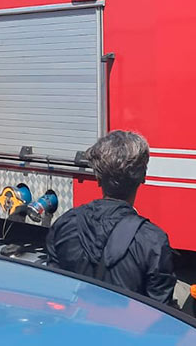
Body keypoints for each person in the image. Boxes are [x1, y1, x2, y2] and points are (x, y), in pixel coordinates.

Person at [45, 130, 176, 305]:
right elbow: (161, 314)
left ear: (98, 178)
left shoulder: (64, 224)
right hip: (124, 331)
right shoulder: (153, 241)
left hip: (75, 329)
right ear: (143, 177)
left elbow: (55, 291)